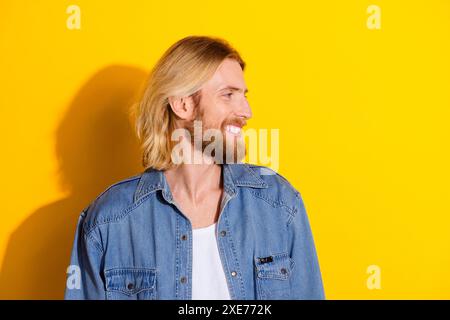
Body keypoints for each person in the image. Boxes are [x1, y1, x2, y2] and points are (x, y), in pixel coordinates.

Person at [64, 35, 324, 300]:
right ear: (183, 104)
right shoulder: (109, 221)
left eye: (244, 96)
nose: (246, 111)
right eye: (228, 95)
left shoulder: (279, 204)